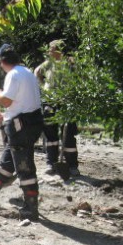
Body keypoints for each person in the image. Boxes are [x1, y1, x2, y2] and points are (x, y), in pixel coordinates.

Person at [0, 43, 44, 221]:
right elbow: (22, 102)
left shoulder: (13, 74)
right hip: (30, 122)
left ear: (2, 61)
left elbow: (7, 101)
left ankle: (30, 208)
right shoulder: (27, 73)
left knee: (24, 166)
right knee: (9, 160)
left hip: (21, 126)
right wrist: (7, 117)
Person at [34, 39, 80, 177]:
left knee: (68, 134)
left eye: (51, 49)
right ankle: (51, 163)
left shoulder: (70, 62)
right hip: (50, 101)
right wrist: (44, 87)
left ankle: (72, 165)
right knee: (50, 133)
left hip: (67, 102)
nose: (49, 52)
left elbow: (79, 78)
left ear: (59, 50)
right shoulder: (49, 63)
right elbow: (37, 71)